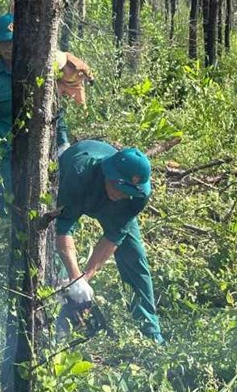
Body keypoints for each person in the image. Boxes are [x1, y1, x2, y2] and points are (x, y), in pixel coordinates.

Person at [54, 140, 164, 344]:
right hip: (76, 189)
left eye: (127, 192)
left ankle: (150, 334)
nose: (121, 194)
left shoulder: (138, 196)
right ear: (108, 172)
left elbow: (114, 236)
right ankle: (57, 327)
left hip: (107, 205)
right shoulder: (79, 172)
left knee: (134, 258)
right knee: (55, 258)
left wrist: (85, 279)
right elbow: (63, 228)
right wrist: (74, 276)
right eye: (117, 186)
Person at [0, 13, 72, 218]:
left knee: (44, 205)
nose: (7, 47)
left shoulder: (38, 71)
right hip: (6, 153)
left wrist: (62, 143)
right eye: (2, 43)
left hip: (40, 149)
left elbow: (55, 109)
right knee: (8, 208)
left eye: (11, 42)